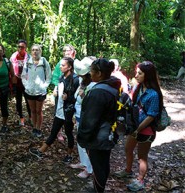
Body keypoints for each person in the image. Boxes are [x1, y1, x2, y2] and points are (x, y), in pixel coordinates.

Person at [114, 61, 163, 192]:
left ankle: (140, 180)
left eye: (140, 73)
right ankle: (128, 171)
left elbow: (151, 116)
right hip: (134, 127)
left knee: (142, 157)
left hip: (145, 131)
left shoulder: (154, 94)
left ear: (148, 75)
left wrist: (138, 129)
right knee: (128, 148)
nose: (136, 75)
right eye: (137, 72)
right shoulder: (138, 88)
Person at [77, 58, 121, 192]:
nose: (90, 74)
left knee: (98, 166)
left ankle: (98, 190)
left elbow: (91, 119)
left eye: (91, 71)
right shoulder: (111, 86)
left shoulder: (98, 92)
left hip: (98, 137)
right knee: (103, 164)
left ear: (100, 73)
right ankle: (98, 188)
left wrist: (83, 138)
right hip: (107, 133)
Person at [29, 57, 79, 163]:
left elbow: (78, 99)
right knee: (54, 132)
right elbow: (60, 91)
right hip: (60, 110)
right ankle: (41, 151)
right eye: (60, 65)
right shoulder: (62, 77)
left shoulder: (75, 80)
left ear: (70, 67)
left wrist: (68, 99)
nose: (60, 67)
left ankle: (69, 154)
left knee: (69, 133)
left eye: (63, 65)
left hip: (68, 112)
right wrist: (56, 93)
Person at [70, 57, 94, 178]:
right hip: (79, 115)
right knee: (80, 141)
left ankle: (89, 169)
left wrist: (83, 95)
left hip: (87, 117)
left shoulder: (93, 85)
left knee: (86, 143)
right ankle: (83, 162)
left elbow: (90, 103)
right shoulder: (82, 81)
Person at [21, 44, 52, 138]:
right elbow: (23, 76)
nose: (35, 52)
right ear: (31, 51)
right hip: (30, 91)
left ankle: (39, 128)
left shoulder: (44, 62)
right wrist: (26, 86)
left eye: (37, 50)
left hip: (40, 91)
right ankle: (34, 127)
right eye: (33, 50)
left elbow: (49, 75)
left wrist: (44, 86)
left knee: (39, 111)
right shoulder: (27, 62)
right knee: (32, 110)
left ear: (40, 51)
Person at [51, 44, 76, 141]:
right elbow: (55, 77)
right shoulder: (59, 64)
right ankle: (59, 132)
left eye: (68, 50)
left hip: (72, 92)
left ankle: (69, 132)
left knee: (70, 112)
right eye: (64, 50)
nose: (66, 52)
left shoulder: (76, 63)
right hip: (61, 91)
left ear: (72, 52)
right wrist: (56, 88)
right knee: (58, 110)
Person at [10, 39, 31, 126]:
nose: (20, 48)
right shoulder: (13, 57)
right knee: (18, 101)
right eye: (19, 47)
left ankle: (31, 117)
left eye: (22, 47)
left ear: (25, 48)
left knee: (28, 101)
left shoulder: (29, 57)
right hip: (17, 82)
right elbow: (10, 70)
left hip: (27, 82)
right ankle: (21, 118)